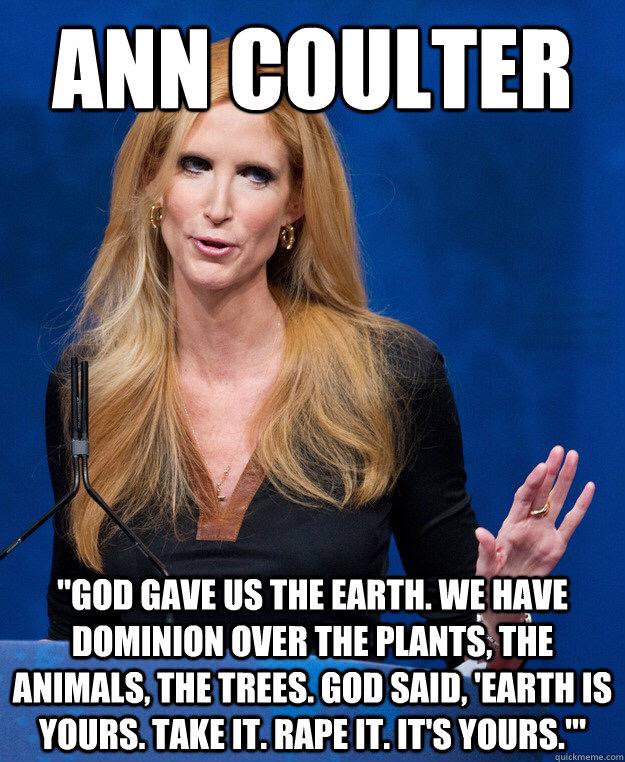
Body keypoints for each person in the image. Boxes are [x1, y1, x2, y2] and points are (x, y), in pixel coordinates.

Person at [45, 38, 594, 670]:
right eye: (193, 165)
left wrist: (502, 613)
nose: (218, 207)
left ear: (295, 203)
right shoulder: (89, 385)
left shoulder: (390, 373)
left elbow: (474, 657)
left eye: (255, 175)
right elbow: (68, 646)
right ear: (152, 184)